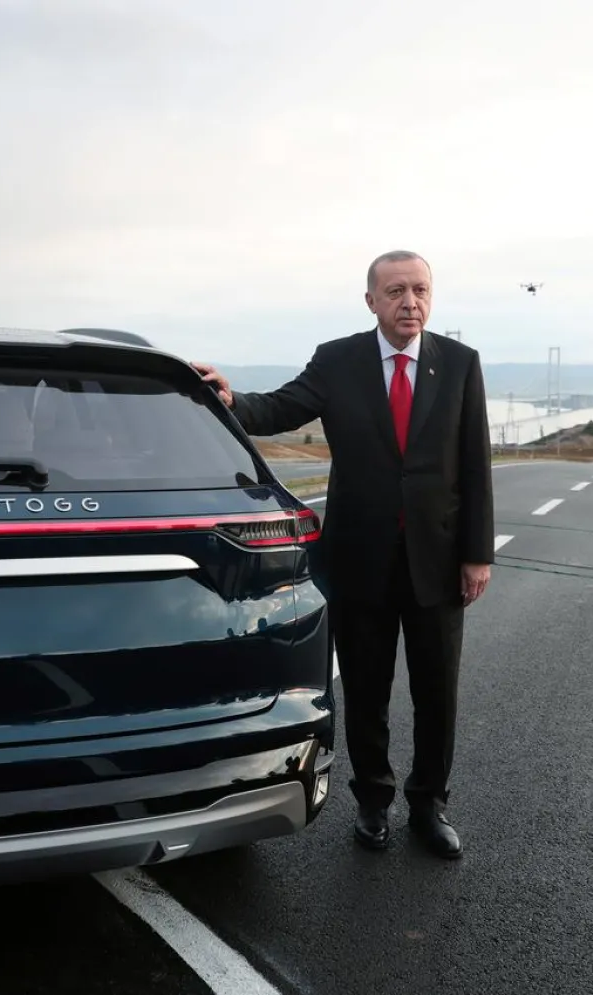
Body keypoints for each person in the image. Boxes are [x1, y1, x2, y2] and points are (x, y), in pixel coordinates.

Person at [191, 250, 494, 859]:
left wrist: (476, 554)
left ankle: (429, 805)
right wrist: (231, 399)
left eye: (420, 290)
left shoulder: (460, 364)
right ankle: (373, 802)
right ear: (371, 301)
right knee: (366, 689)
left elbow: (474, 463)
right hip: (361, 560)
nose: (410, 302)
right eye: (396, 291)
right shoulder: (338, 360)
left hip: (437, 563)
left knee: (438, 694)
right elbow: (281, 407)